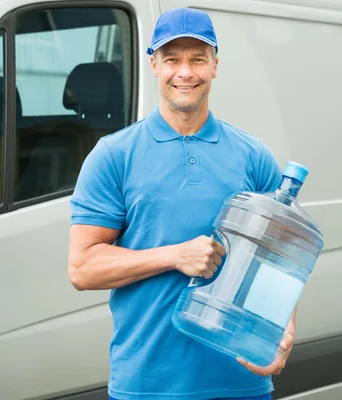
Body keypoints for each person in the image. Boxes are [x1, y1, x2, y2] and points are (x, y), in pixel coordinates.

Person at [67, 7, 296, 400]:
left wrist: (285, 327)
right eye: (172, 59)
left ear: (215, 66)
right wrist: (173, 255)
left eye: (197, 60)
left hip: (241, 384)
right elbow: (83, 268)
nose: (185, 72)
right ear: (154, 65)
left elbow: (276, 260)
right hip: (148, 386)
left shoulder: (253, 156)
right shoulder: (113, 156)